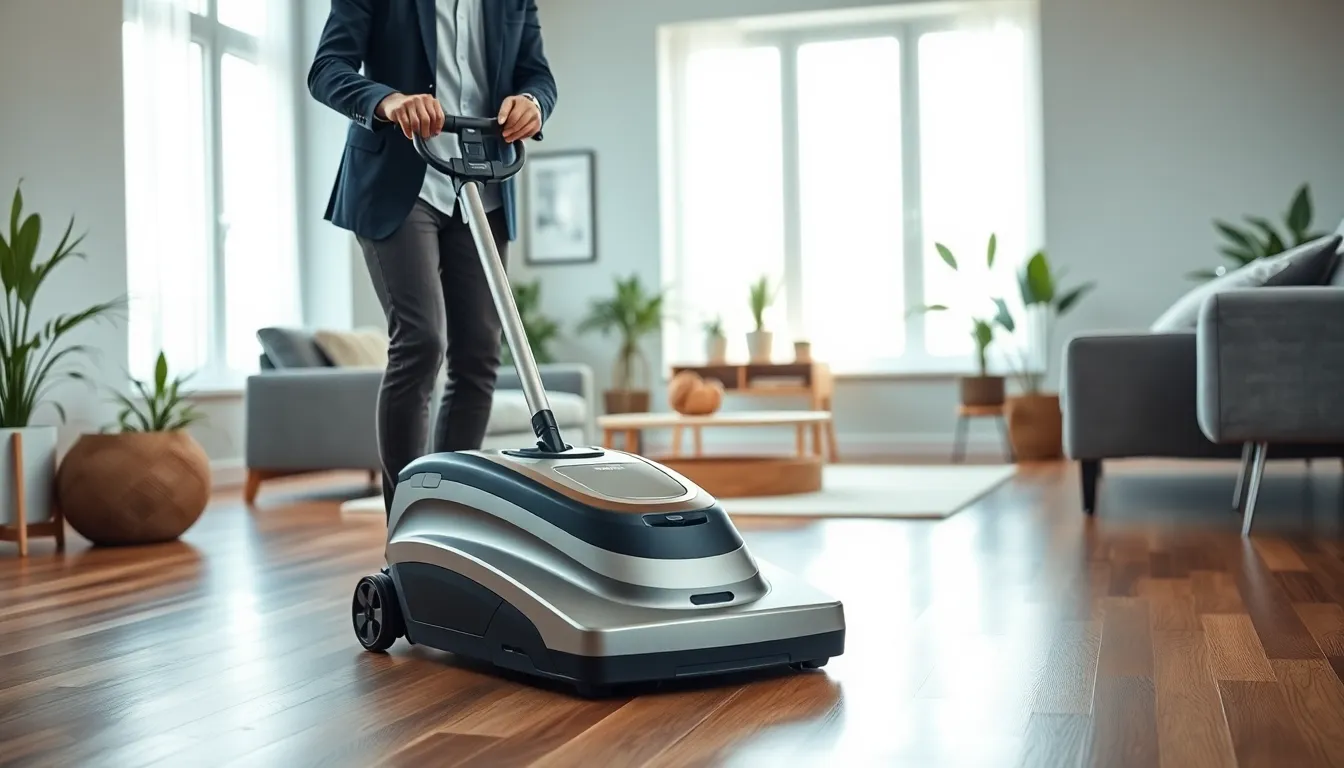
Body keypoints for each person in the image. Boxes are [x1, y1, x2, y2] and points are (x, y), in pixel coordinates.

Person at [308, 0, 557, 517]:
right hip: (399, 179)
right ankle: (408, 521)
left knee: (479, 356)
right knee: (421, 341)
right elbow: (327, 69)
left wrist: (533, 102)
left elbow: (537, 74)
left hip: (482, 182)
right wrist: (388, 101)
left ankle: (449, 516)